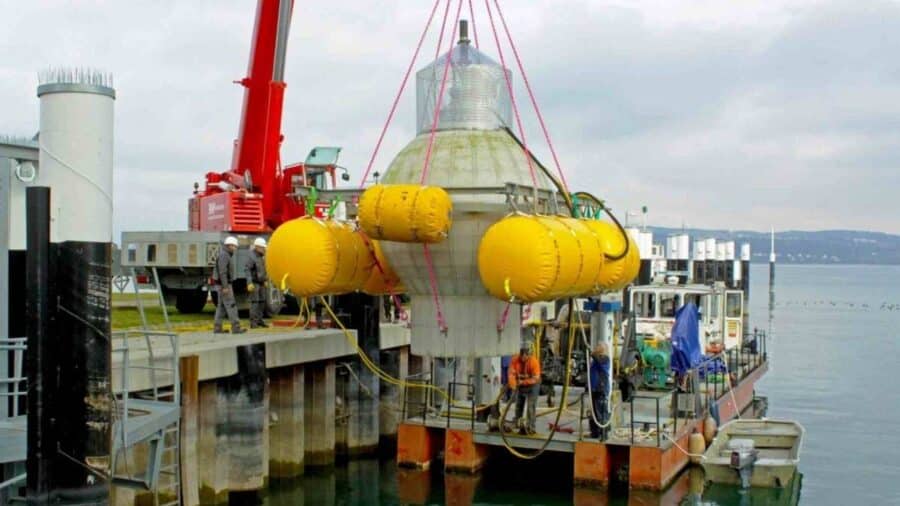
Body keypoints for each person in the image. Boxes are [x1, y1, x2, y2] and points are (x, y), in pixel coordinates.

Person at [213, 236, 245, 334]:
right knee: (231, 305)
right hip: (224, 285)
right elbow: (222, 272)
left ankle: (217, 328)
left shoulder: (226, 254)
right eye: (235, 246)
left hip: (221, 284)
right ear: (230, 245)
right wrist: (225, 286)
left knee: (221, 307)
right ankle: (236, 328)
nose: (235, 248)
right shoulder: (224, 255)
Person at [508, 340, 541, 435]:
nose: (523, 356)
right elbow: (511, 374)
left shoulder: (534, 363)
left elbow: (535, 379)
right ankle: (517, 423)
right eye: (522, 353)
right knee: (518, 404)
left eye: (525, 353)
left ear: (529, 354)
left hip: (533, 386)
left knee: (531, 407)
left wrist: (523, 382)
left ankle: (531, 427)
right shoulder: (515, 360)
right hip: (520, 384)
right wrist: (513, 385)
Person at [589, 342, 611, 440]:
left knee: (601, 411)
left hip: (600, 388)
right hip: (594, 389)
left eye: (598, 346)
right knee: (593, 411)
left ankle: (604, 433)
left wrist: (593, 352)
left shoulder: (604, 359)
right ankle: (595, 433)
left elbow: (596, 358)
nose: (596, 347)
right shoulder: (596, 360)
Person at [245, 237, 268, 329]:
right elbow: (247, 270)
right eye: (263, 247)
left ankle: (260, 321)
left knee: (262, 301)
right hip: (254, 283)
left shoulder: (262, 256)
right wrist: (249, 282)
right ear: (257, 247)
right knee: (255, 302)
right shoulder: (251, 256)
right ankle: (253, 323)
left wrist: (265, 280)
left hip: (261, 282)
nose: (264, 249)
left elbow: (264, 269)